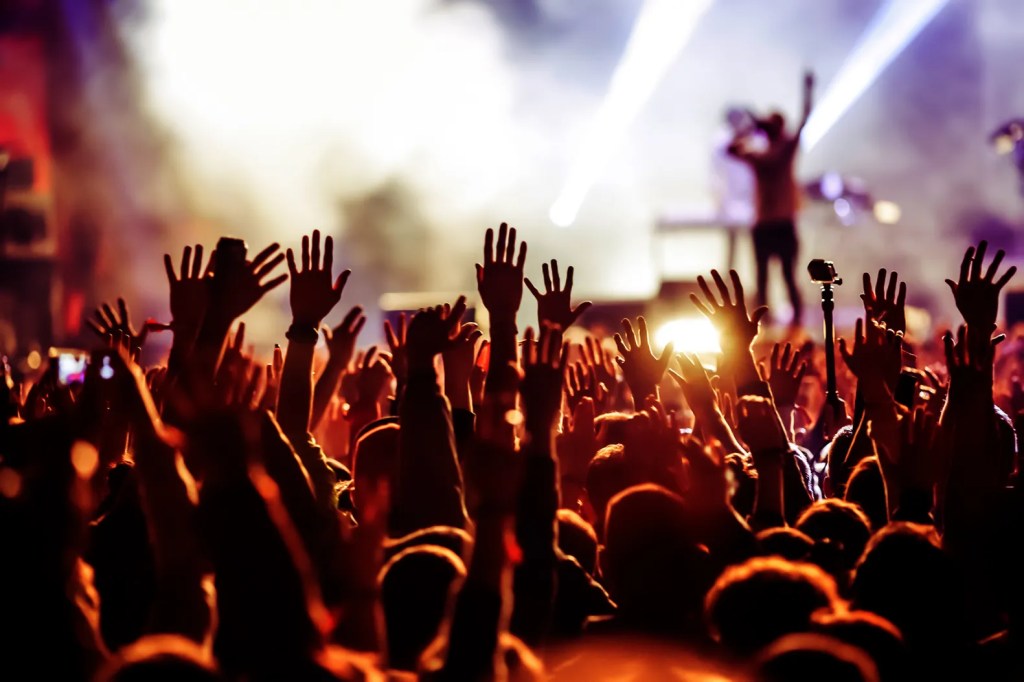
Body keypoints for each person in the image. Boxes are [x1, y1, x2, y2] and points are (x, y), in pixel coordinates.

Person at [728, 71, 815, 325]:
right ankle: (764, 323)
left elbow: (804, 121)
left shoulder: (781, 151)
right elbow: (731, 150)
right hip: (767, 224)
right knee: (765, 279)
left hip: (778, 223)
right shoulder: (760, 155)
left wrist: (808, 92)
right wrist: (750, 129)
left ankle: (792, 323)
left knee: (785, 277)